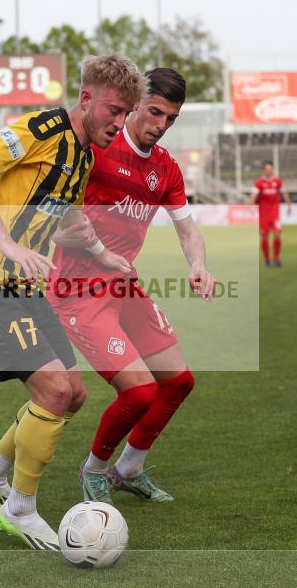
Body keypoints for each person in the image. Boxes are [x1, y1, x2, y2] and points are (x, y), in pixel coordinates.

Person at [0, 54, 148, 550]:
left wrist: (104, 254)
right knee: (55, 393)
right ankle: (20, 509)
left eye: (126, 114)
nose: (119, 123)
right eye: (114, 110)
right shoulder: (42, 127)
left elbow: (65, 220)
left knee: (73, 395)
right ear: (86, 99)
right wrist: (7, 244)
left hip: (25, 290)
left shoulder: (81, 156)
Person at [49, 68, 215, 504]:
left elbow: (187, 229)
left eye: (171, 119)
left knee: (178, 382)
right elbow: (54, 213)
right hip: (77, 291)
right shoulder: (99, 148)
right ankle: (95, 469)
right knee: (140, 391)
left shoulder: (166, 169)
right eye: (155, 112)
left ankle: (129, 468)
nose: (160, 126)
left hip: (122, 286)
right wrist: (58, 236)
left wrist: (199, 265)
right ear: (135, 104)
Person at [250, 162, 291, 267]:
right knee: (264, 236)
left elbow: (284, 193)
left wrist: (289, 205)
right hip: (263, 214)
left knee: (277, 234)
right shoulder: (259, 182)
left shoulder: (277, 181)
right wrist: (251, 206)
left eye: (270, 169)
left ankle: (276, 258)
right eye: (267, 169)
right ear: (264, 170)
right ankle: (267, 259)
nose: (268, 170)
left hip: (275, 214)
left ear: (272, 170)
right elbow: (253, 196)